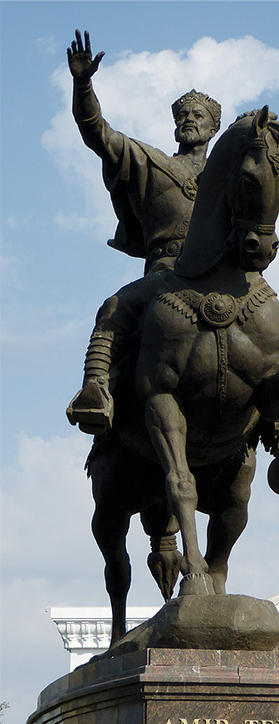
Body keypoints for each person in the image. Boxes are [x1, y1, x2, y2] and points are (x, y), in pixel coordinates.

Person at [65, 30, 222, 434]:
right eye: (183, 117)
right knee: (114, 309)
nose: (190, 120)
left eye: (198, 116)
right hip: (166, 271)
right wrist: (83, 83)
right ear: (175, 129)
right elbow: (96, 133)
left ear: (213, 128)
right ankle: (96, 388)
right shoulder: (148, 162)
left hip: (224, 271)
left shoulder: (227, 178)